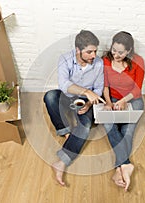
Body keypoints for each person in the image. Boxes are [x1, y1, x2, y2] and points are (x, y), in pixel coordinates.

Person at [43, 30, 105, 186]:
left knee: (84, 127)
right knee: (50, 96)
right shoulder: (65, 59)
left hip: (85, 101)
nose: (93, 55)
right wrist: (85, 91)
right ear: (78, 50)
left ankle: (61, 162)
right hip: (68, 95)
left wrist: (90, 103)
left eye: (95, 51)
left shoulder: (98, 63)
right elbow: (64, 85)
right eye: (89, 52)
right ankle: (65, 133)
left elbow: (98, 89)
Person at [102, 31, 145, 192]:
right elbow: (104, 85)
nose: (116, 55)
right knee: (108, 125)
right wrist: (108, 103)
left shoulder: (138, 61)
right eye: (114, 50)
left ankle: (118, 168)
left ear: (129, 51)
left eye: (121, 52)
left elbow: (137, 89)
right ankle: (125, 164)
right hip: (111, 99)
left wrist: (123, 101)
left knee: (128, 130)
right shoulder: (105, 60)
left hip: (132, 99)